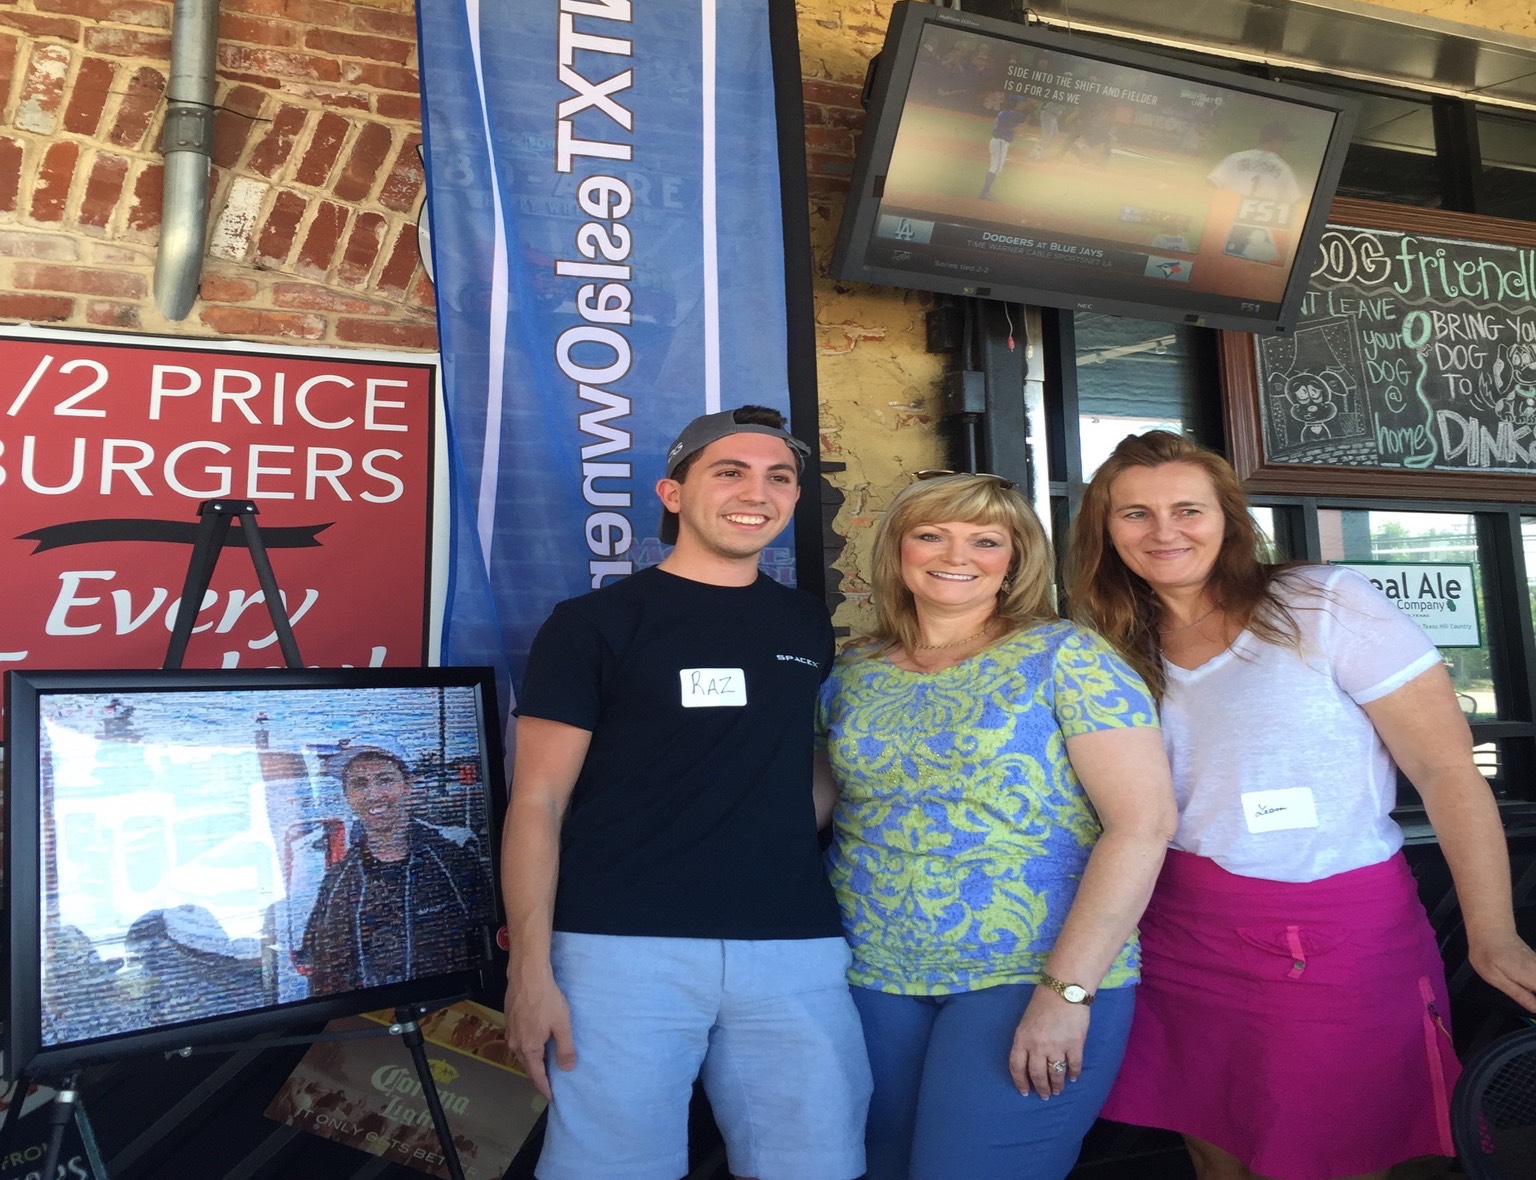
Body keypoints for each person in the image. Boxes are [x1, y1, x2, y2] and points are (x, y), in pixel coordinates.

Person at [1066, 430, 1536, 1180]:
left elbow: (1446, 770)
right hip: (1177, 929)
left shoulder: (1321, 602)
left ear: (1228, 517)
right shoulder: (1108, 643)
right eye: (1135, 513)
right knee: (1214, 1154)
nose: (1163, 531)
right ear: (1106, 529)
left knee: (1336, 1156)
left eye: (1187, 509)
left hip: (1335, 931)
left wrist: (1494, 933)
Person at [502, 405, 870, 1180]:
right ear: (673, 493)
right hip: (620, 949)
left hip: (793, 945)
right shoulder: (593, 624)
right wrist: (529, 973)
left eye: (779, 478)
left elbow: (795, 770)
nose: (756, 492)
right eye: (729, 472)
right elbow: (537, 803)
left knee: (817, 1166)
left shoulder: (806, 624)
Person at [816, 470, 1176, 1180]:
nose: (957, 555)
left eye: (986, 540)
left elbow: (1142, 825)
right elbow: (811, 804)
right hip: (868, 970)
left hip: (1028, 969)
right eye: (931, 535)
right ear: (897, 550)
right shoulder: (853, 669)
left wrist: (1067, 993)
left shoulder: (1067, 656)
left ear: (1015, 560)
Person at [300, 741, 489, 996]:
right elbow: (320, 970)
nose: (373, 794)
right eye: (360, 784)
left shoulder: (454, 865)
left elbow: (488, 953)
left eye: (385, 780)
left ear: (407, 786)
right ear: (348, 796)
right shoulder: (336, 882)